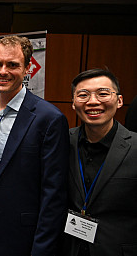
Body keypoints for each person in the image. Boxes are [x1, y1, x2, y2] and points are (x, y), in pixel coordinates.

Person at [0, 35, 69, 256]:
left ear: (27, 69)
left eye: (12, 65)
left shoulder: (48, 119)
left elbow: (54, 194)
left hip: (18, 227)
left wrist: (42, 249)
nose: (3, 71)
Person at [58, 69, 137, 256]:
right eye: (83, 95)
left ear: (119, 101)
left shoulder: (135, 147)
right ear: (73, 103)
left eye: (102, 93)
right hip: (68, 248)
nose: (93, 101)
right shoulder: (62, 142)